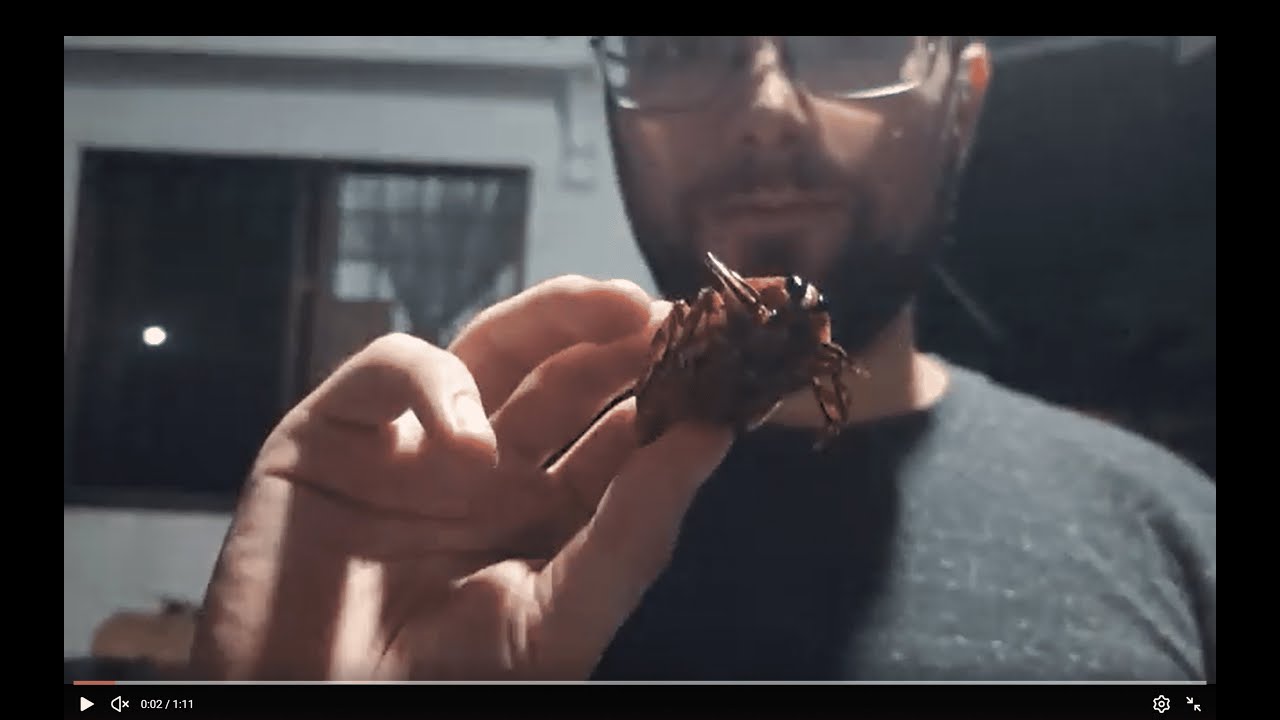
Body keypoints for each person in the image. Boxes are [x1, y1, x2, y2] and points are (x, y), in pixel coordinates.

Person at [189, 36, 1215, 681]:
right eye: (680, 46)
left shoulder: (1178, 538)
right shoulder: (442, 539)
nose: (765, 108)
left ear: (962, 96)